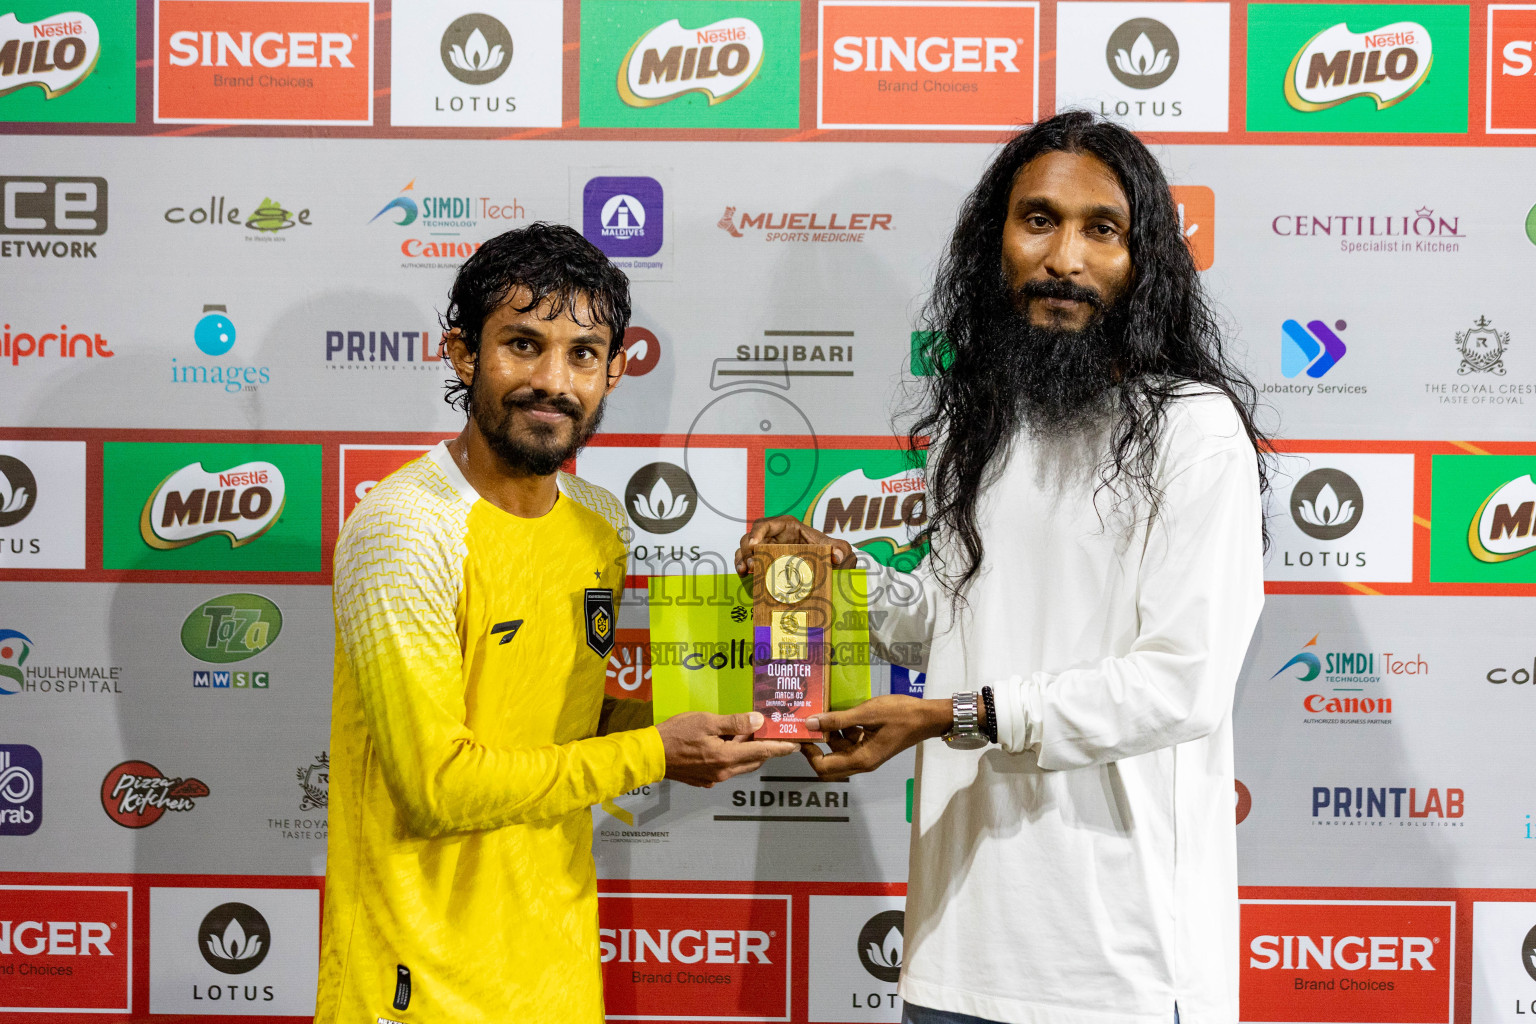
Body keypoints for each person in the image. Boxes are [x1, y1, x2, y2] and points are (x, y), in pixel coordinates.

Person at [738, 111, 1270, 1024]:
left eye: (1101, 229)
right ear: (996, 243)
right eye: (1038, 220)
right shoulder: (980, 427)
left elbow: (1181, 684)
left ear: (1145, 265)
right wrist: (831, 579)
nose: (1065, 257)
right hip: (954, 948)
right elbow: (954, 631)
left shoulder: (1193, 428)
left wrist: (952, 716)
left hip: (1119, 973)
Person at [318, 223, 798, 1024]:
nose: (552, 380)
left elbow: (573, 723)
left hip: (556, 971)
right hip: (416, 984)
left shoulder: (599, 525)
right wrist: (653, 752)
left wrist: (778, 681)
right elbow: (438, 788)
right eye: (522, 344)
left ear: (613, 370)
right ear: (463, 354)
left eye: (582, 353)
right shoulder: (405, 530)